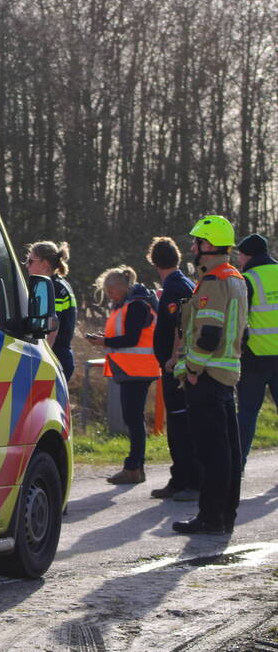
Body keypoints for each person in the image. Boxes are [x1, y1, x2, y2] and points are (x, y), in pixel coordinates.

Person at [171, 215, 247, 535]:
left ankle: (211, 517)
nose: (192, 247)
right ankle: (223, 515)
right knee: (226, 450)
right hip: (225, 376)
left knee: (211, 452)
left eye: (196, 242)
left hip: (208, 376)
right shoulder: (236, 278)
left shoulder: (215, 281)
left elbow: (209, 334)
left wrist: (191, 370)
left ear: (209, 245)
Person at [86, 265, 160, 484]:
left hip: (137, 369)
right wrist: (105, 338)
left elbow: (131, 339)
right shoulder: (128, 304)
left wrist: (104, 342)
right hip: (133, 369)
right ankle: (137, 466)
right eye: (107, 289)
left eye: (111, 289)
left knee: (134, 419)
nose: (109, 293)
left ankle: (133, 467)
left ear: (123, 287)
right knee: (133, 418)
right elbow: (127, 335)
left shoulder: (136, 306)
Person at [145, 237, 199, 501]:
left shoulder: (175, 287)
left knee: (179, 425)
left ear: (153, 261)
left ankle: (184, 481)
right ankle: (184, 478)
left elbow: (181, 323)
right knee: (184, 423)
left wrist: (173, 357)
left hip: (175, 367)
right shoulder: (185, 283)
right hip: (181, 365)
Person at [234, 233, 278, 469]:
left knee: (248, 413)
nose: (238, 260)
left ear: (248, 255)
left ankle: (238, 464)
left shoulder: (247, 279)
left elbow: (239, 320)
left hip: (256, 358)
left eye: (240, 255)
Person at [24, 241, 77, 380]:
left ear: (45, 264)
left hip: (54, 354)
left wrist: (41, 359)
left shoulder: (51, 287)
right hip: (60, 355)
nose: (26, 264)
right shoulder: (60, 284)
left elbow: (52, 327)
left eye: (30, 260)